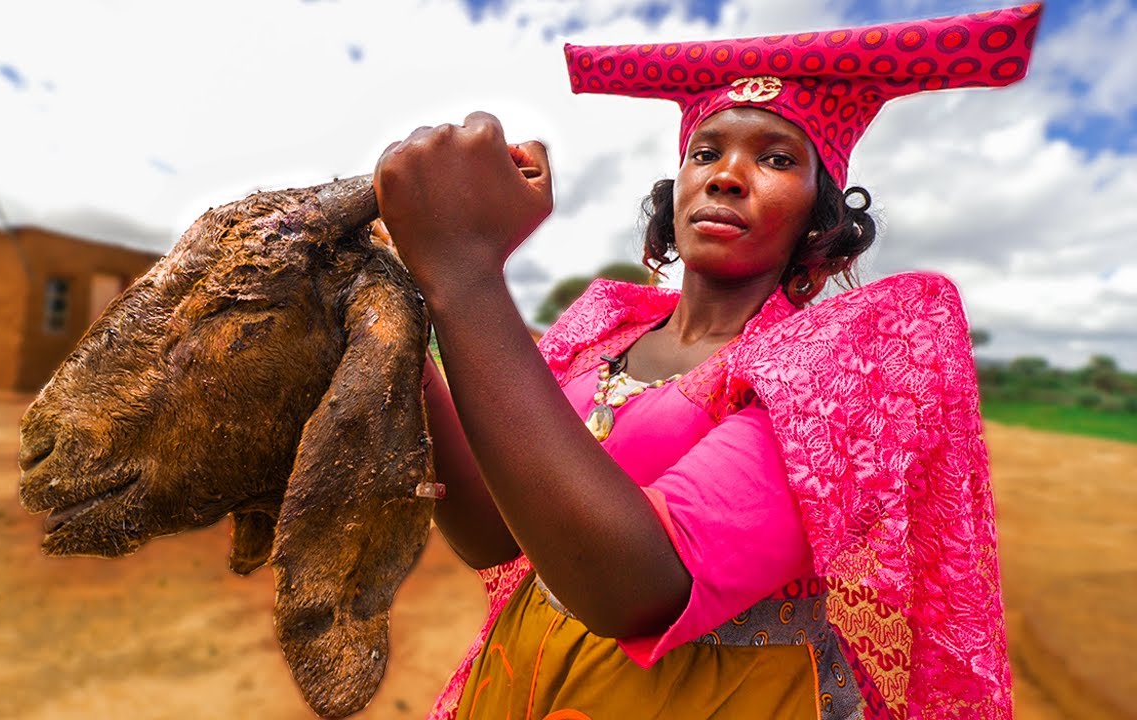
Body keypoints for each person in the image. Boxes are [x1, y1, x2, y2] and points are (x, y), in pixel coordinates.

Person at [374, 4, 1042, 719]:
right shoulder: (601, 329)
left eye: (777, 158)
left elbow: (635, 592)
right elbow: (489, 535)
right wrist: (396, 318)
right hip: (518, 683)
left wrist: (465, 271)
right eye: (706, 151)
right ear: (677, 189)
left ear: (821, 216)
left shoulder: (851, 360)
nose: (727, 175)